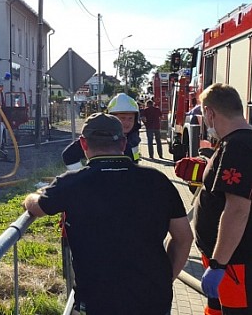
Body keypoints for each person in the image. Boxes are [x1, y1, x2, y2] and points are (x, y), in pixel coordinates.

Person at [24, 112, 192, 315]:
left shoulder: (72, 183)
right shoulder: (158, 181)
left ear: (84, 144)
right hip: (153, 298)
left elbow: (37, 207)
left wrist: (32, 196)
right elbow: (184, 238)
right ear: (123, 143)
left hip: (98, 301)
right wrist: (166, 278)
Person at [192, 83, 252, 315]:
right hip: (228, 261)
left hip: (234, 263)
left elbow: (237, 209)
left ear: (210, 113)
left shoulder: (237, 146)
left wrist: (218, 264)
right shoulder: (237, 143)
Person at [62, 92, 142, 170]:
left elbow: (134, 160)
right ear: (112, 118)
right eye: (122, 118)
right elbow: (69, 155)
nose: (127, 123)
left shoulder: (133, 136)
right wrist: (83, 177)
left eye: (130, 118)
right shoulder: (98, 136)